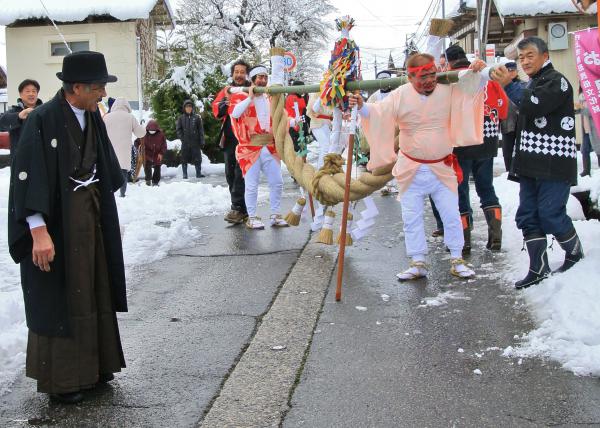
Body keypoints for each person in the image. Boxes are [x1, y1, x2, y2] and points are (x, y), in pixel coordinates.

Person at [7, 51, 127, 404]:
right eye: (98, 88)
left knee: (92, 287)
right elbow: (26, 177)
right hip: (57, 223)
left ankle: (95, 367)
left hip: (88, 218)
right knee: (63, 294)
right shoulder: (43, 119)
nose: (102, 94)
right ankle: (63, 379)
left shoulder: (92, 115)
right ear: (76, 88)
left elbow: (102, 164)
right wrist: (37, 229)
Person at [349, 52, 493, 281]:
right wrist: (362, 106)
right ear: (410, 78)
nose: (429, 80)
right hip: (410, 168)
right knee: (411, 217)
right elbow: (378, 114)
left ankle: (457, 258)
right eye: (423, 77)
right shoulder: (400, 95)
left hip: (442, 167)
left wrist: (480, 71)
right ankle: (418, 261)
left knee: (451, 214)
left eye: (432, 74)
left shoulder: (448, 90)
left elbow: (472, 90)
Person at [491, 37, 584, 289]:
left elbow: (533, 105)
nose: (525, 61)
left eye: (530, 55)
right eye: (521, 58)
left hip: (555, 162)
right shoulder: (532, 82)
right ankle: (538, 267)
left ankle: (575, 253)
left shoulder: (557, 81)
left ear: (545, 55)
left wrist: (509, 85)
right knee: (528, 215)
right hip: (531, 162)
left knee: (551, 214)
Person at [442, 44, 508, 254]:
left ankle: (465, 241)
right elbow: (504, 109)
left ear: (449, 61)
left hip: (461, 141)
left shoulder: (451, 78)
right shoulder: (485, 77)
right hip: (487, 140)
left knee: (461, 191)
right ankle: (495, 236)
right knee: (486, 187)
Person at [229, 65, 289, 229]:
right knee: (251, 185)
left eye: (265, 77)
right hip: (250, 148)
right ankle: (253, 216)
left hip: (270, 147)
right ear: (253, 80)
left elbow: (282, 117)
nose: (262, 80)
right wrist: (250, 97)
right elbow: (234, 114)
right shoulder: (240, 96)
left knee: (277, 182)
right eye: (259, 77)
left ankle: (276, 214)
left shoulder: (271, 98)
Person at [212, 60, 251, 224]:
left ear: (246, 74)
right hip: (229, 137)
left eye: (242, 72)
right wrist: (224, 103)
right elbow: (216, 110)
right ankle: (241, 207)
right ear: (232, 74)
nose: (239, 75)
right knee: (230, 173)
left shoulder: (251, 89)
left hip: (245, 137)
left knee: (240, 174)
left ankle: (238, 208)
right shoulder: (227, 90)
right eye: (237, 72)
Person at [104, 97, 146, 197]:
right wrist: (143, 126)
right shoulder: (130, 117)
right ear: (127, 106)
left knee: (110, 172)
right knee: (123, 172)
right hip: (124, 151)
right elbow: (140, 133)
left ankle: (110, 194)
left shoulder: (107, 117)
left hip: (110, 150)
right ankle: (122, 193)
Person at [0, 79, 43, 155]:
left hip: (41, 157)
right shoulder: (14, 111)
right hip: (19, 157)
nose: (31, 94)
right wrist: (19, 116)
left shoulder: (44, 110)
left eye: (34, 91)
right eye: (27, 91)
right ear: (20, 94)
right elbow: (2, 122)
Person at [499, 61, 526, 172]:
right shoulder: (500, 86)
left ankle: (520, 170)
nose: (510, 73)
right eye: (508, 71)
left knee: (521, 148)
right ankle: (508, 171)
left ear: (517, 71)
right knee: (507, 150)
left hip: (521, 121)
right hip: (507, 121)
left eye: (513, 70)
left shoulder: (524, 84)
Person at [176, 99, 205, 179]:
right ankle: (185, 174)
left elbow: (201, 130)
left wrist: (202, 140)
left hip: (195, 142)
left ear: (192, 108)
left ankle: (198, 173)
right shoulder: (181, 118)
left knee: (197, 158)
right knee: (184, 158)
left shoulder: (197, 118)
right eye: (187, 107)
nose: (189, 108)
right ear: (184, 108)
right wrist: (182, 138)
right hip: (185, 142)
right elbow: (178, 129)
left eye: (190, 107)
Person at [306, 92, 333, 170]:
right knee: (325, 146)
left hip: (327, 125)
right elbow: (315, 108)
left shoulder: (329, 97)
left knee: (327, 147)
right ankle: (321, 170)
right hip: (317, 124)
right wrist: (322, 96)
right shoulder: (315, 96)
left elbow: (330, 112)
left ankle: (325, 168)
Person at [577, 87, 600, 176]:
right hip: (585, 128)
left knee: (598, 149)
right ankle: (586, 171)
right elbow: (581, 110)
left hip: (594, 128)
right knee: (584, 150)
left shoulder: (594, 94)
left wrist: (581, 108)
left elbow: (593, 111)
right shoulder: (581, 96)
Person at [142, 120, 167, 186]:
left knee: (157, 167)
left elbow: (164, 145)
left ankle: (155, 181)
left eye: (153, 131)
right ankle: (148, 180)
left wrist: (161, 153)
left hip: (157, 153)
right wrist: (140, 148)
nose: (152, 132)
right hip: (147, 153)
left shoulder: (161, 135)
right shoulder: (144, 134)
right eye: (150, 130)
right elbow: (137, 142)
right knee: (147, 166)